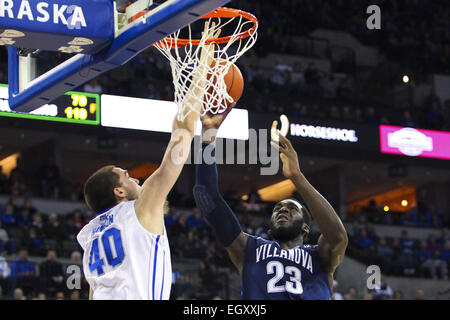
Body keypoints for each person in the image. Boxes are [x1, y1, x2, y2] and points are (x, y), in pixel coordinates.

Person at [76, 23, 219, 300]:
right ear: (118, 192)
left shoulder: (90, 236)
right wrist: (204, 63)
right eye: (127, 176)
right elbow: (184, 133)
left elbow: (94, 294)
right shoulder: (138, 208)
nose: (137, 178)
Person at [193, 114, 348, 299]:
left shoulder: (320, 257)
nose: (282, 210)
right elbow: (206, 194)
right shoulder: (249, 248)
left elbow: (338, 236)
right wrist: (208, 133)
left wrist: (297, 177)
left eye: (292, 209)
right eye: (277, 209)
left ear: (305, 227)